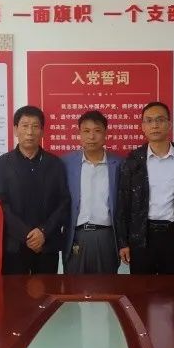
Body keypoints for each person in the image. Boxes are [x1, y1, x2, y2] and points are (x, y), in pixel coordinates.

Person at [116, 102, 174, 275]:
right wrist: (123, 242)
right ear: (143, 126)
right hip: (141, 236)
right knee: (141, 288)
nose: (154, 125)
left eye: (160, 120)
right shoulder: (133, 161)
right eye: (149, 120)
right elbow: (123, 203)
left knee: (172, 288)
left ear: (169, 124)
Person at [0, 106, 70, 275]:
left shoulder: (55, 164)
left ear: (42, 132)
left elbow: (63, 202)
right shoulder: (2, 164)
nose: (30, 132)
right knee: (14, 291)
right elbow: (1, 205)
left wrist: (43, 232)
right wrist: (27, 235)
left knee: (47, 291)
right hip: (14, 246)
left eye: (35, 126)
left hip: (46, 245)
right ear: (15, 129)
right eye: (25, 126)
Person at [61, 110, 123, 274]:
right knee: (74, 287)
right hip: (76, 236)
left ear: (105, 134)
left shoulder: (119, 164)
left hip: (107, 236)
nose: (92, 136)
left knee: (106, 286)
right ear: (79, 134)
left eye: (97, 131)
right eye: (86, 131)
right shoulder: (66, 164)